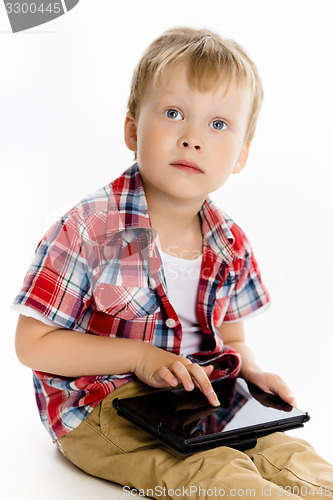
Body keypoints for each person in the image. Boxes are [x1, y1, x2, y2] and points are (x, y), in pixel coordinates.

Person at [13, 26, 333, 499]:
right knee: (215, 471)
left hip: (197, 398)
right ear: (131, 129)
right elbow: (33, 344)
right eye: (173, 113)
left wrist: (251, 371)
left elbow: (233, 336)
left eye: (218, 125)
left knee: (290, 456)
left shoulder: (229, 241)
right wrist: (140, 357)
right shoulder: (89, 227)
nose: (192, 138)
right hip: (101, 404)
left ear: (241, 155)